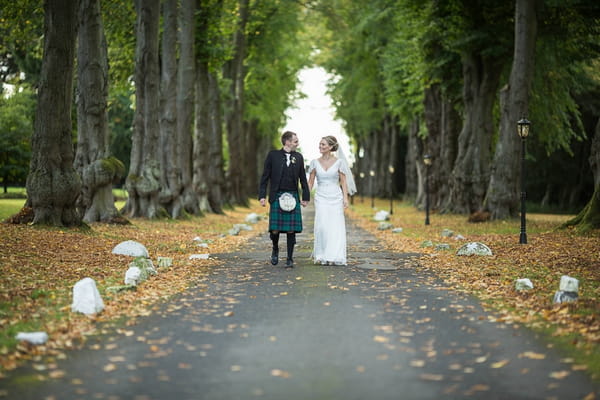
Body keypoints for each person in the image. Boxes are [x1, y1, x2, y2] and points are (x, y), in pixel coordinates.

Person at [259, 131, 310, 268]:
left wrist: (305, 197)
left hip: (292, 195)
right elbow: (265, 177)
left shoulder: (298, 157)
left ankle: (289, 258)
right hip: (277, 195)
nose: (297, 143)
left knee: (290, 230)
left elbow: (303, 179)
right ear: (287, 142)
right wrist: (262, 196)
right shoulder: (273, 155)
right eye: (295, 141)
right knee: (275, 229)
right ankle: (275, 248)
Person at [308, 135, 356, 265]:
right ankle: (322, 254)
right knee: (322, 225)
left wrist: (345, 198)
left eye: (323, 144)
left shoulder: (339, 162)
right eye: (320, 144)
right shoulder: (314, 162)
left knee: (335, 226)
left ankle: (334, 255)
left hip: (335, 196)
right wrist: (305, 196)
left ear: (330, 147)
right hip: (321, 196)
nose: (320, 147)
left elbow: (344, 182)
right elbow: (311, 181)